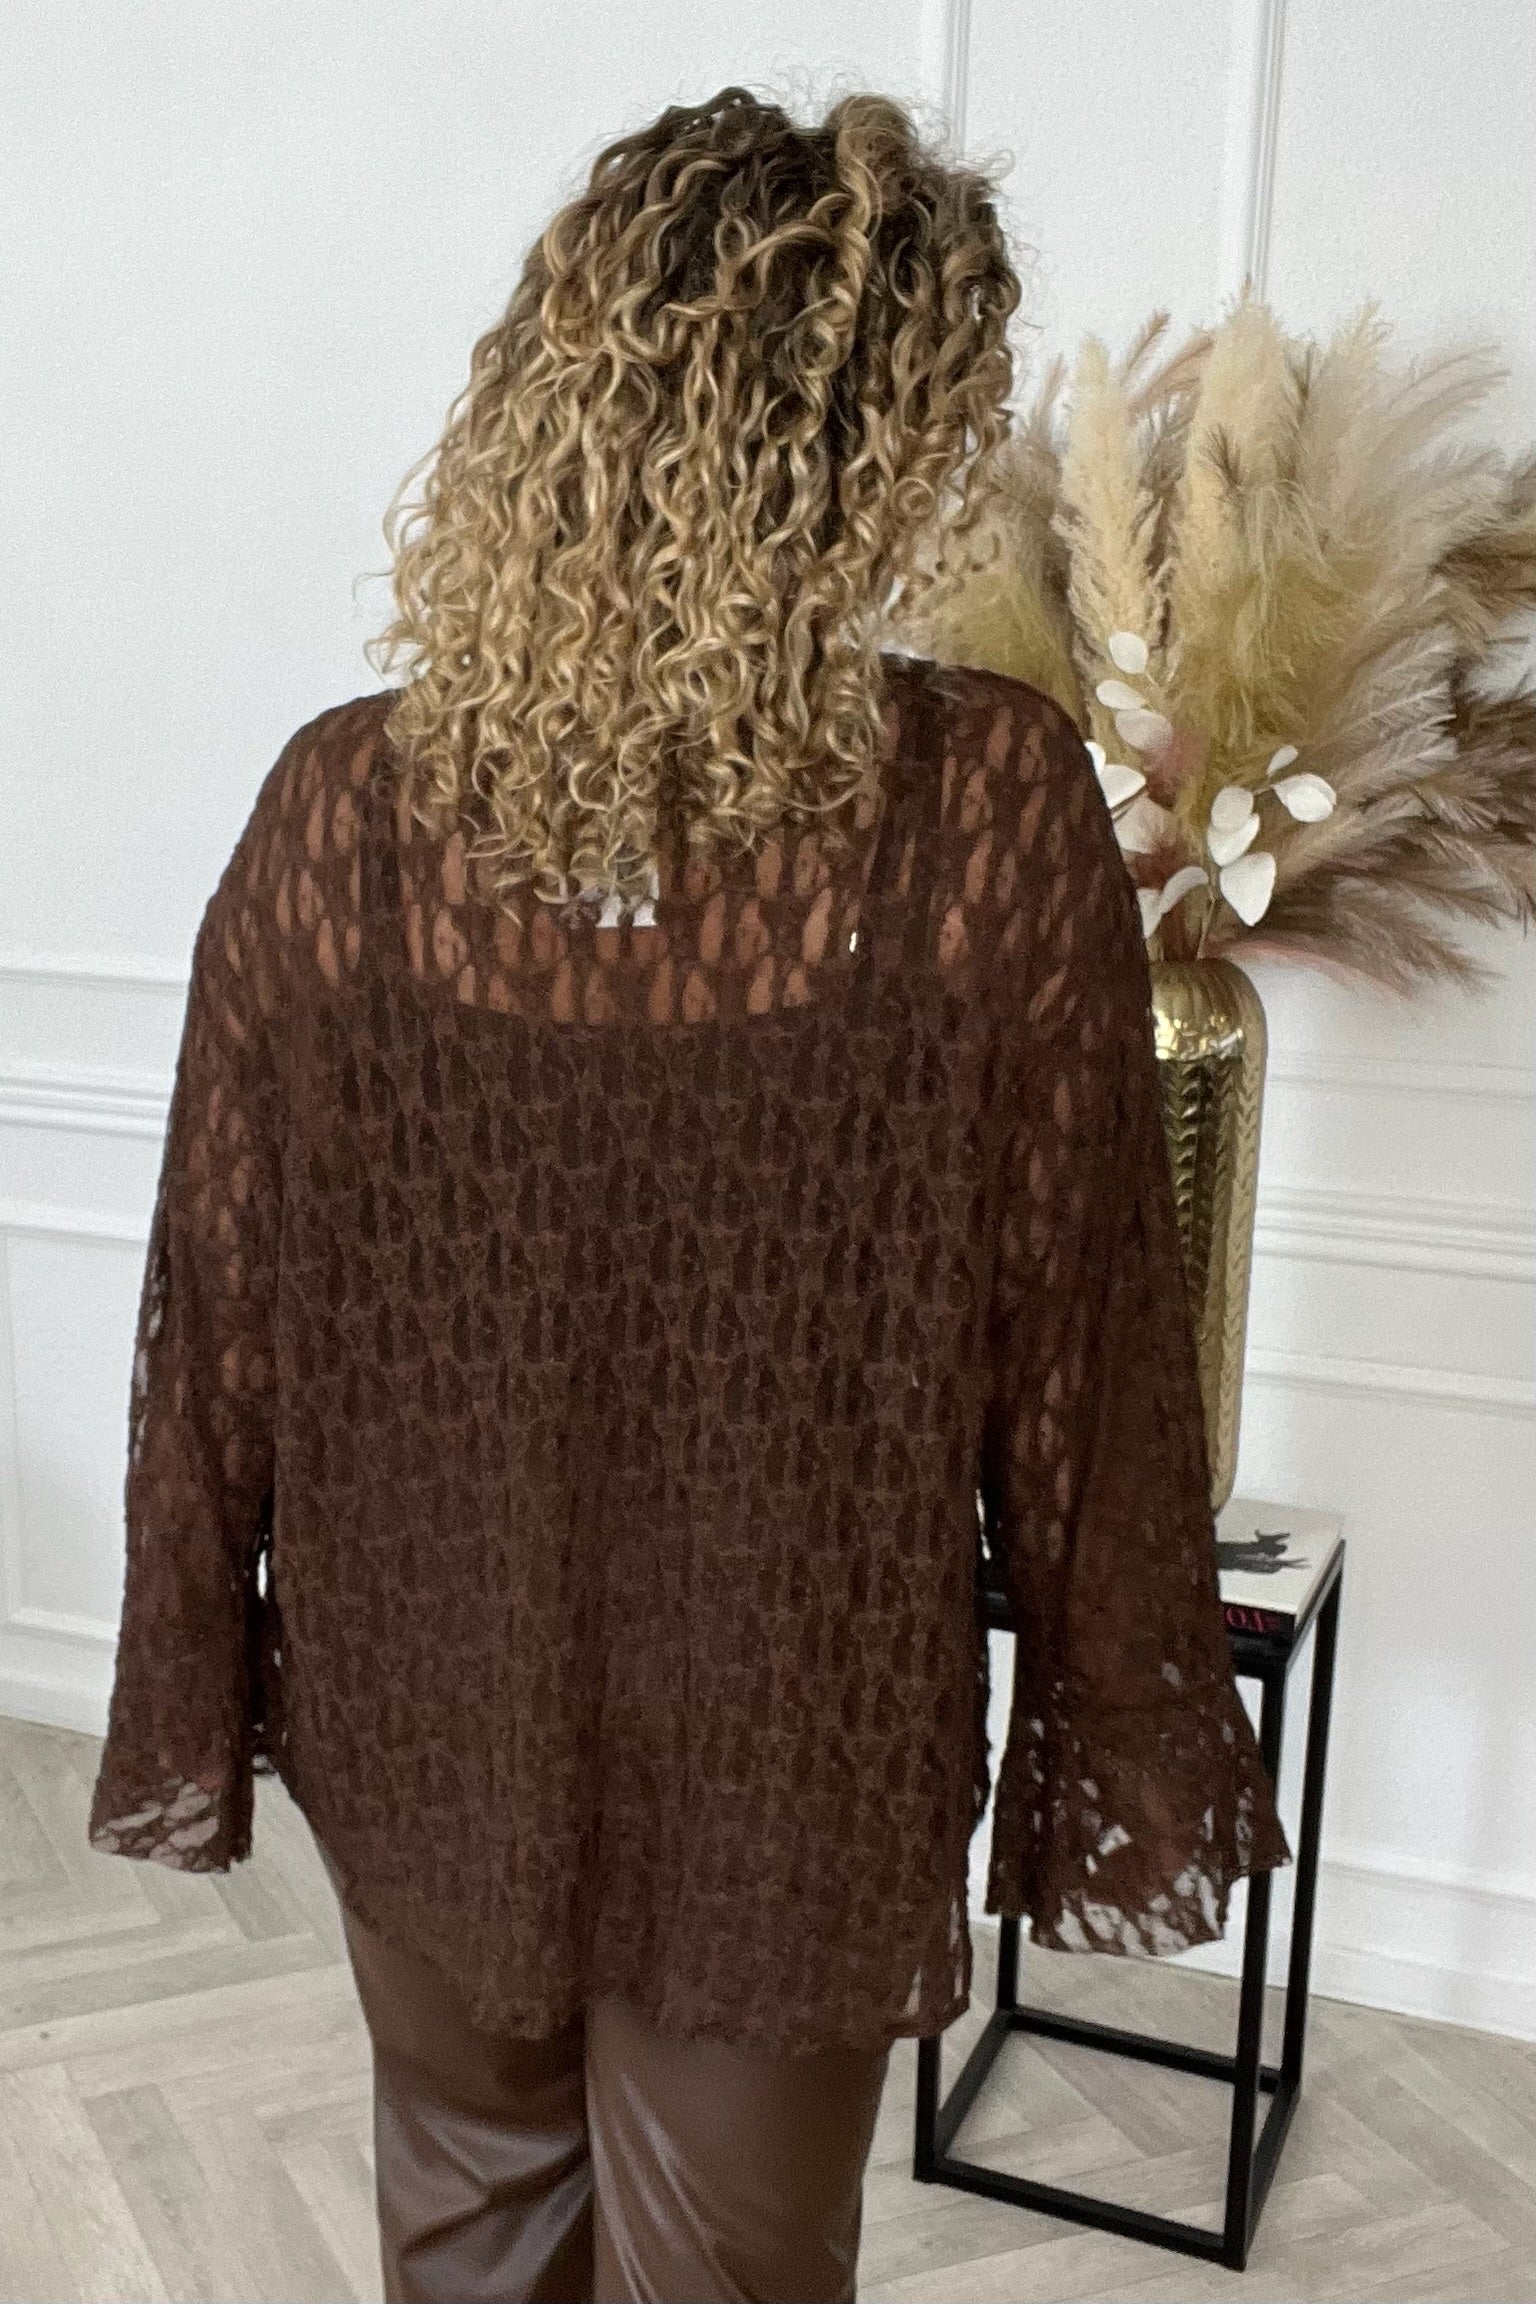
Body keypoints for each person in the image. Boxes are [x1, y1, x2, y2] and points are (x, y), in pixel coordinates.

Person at [86, 83, 1291, 2304]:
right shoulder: (984, 817)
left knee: (471, 2225)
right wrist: (1118, 1713)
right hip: (745, 1731)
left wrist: (188, 1660)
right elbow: (1086, 1353)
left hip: (466, 1690)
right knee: (708, 2269)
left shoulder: (343, 814)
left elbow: (210, 1320)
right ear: (859, 456)